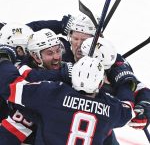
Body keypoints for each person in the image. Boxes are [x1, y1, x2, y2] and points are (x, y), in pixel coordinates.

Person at [0, 46, 135, 144]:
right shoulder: (111, 109)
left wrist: (4, 59)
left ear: (72, 76)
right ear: (100, 84)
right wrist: (125, 81)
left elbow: (10, 87)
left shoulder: (52, 93)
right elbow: (127, 108)